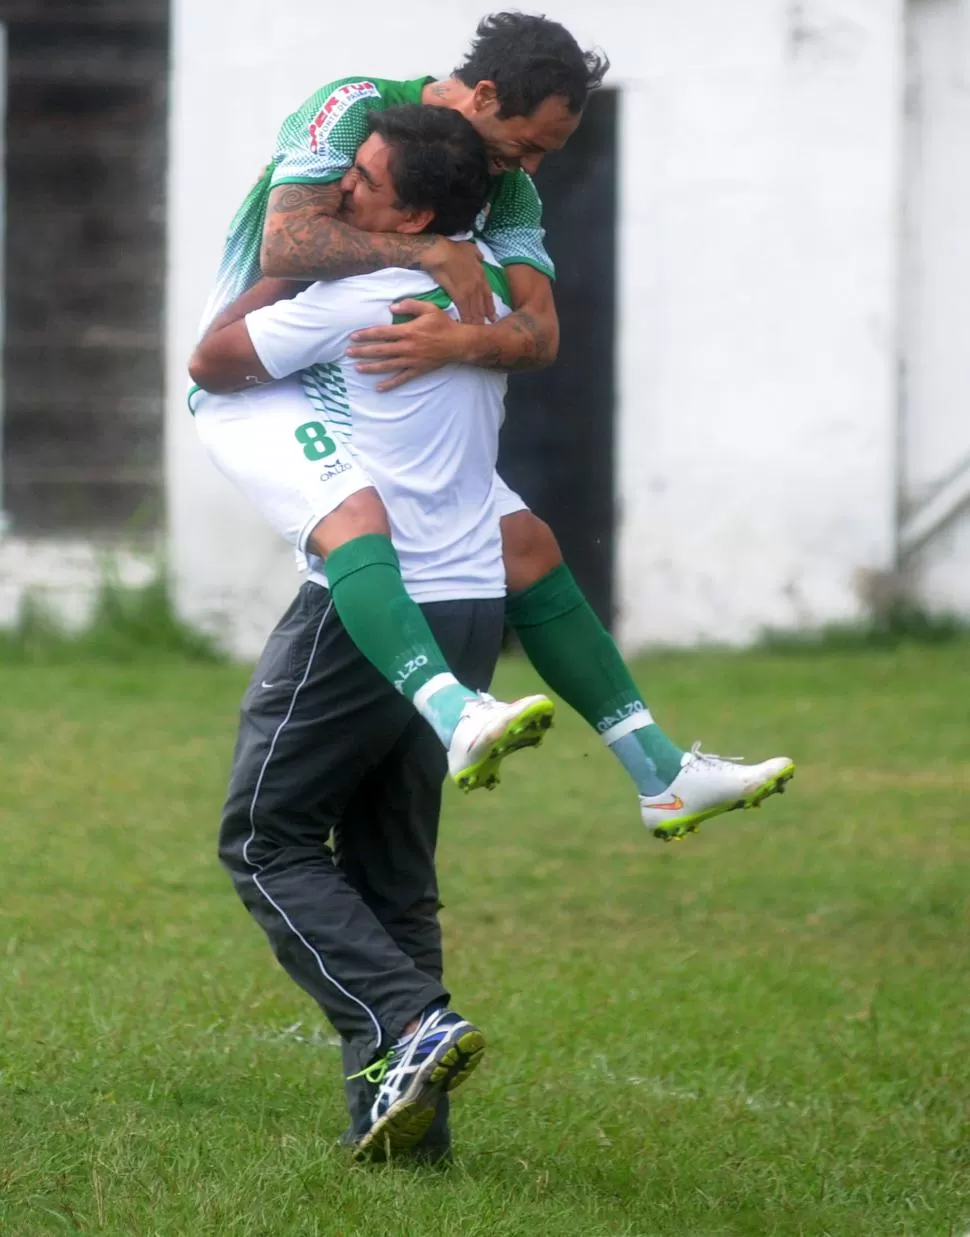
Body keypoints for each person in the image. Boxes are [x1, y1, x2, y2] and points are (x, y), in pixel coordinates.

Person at [194, 11, 795, 842]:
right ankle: (452, 710)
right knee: (353, 519)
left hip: (341, 368)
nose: (535, 165)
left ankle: (661, 772)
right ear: (482, 94)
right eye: (531, 141)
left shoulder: (505, 185)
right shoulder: (353, 107)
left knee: (528, 546)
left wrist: (463, 340)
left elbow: (541, 335)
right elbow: (287, 242)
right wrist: (428, 253)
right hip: (247, 374)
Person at [195, 105, 537, 1163]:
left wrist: (284, 272)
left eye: (366, 181)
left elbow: (213, 359)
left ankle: (402, 1021)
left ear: (416, 209)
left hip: (374, 600)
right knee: (392, 866)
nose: (340, 190)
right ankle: (408, 1136)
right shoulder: (470, 285)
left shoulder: (353, 295)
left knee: (268, 836)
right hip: (473, 598)